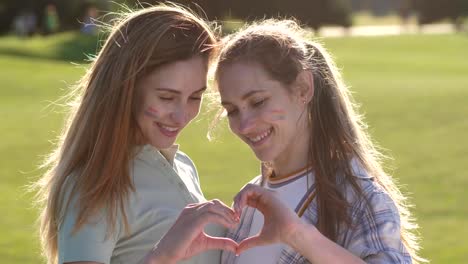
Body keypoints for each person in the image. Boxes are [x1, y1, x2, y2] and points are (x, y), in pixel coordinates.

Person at [149, 19, 426, 263]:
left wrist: (298, 235)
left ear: (303, 89)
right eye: (232, 110)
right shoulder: (249, 203)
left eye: (258, 102)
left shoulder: (359, 198)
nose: (244, 125)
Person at [33, 4, 239, 264]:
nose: (181, 115)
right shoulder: (95, 185)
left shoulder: (183, 165)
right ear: (126, 89)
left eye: (195, 96)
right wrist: (159, 257)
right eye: (166, 96)